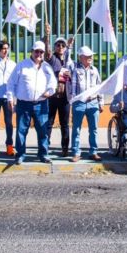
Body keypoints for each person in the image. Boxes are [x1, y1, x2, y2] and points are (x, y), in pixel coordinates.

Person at [6, 40, 57, 164]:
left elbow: (53, 83)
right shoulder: (21, 65)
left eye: (41, 52)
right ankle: (20, 154)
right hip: (24, 104)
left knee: (43, 131)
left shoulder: (46, 67)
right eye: (36, 51)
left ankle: (43, 154)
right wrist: (10, 98)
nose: (39, 54)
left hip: (41, 104)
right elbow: (10, 83)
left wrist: (49, 92)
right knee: (21, 130)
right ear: (32, 52)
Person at [42, 22, 73, 157]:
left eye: (63, 45)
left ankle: (65, 148)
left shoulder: (68, 59)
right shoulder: (51, 57)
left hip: (65, 97)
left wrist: (70, 75)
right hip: (52, 97)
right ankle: (45, 147)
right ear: (55, 47)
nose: (60, 47)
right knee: (48, 123)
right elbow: (46, 48)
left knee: (64, 124)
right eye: (58, 45)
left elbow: (74, 75)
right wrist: (47, 35)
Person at [67, 46, 103, 162]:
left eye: (91, 56)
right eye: (87, 56)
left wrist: (101, 102)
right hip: (79, 102)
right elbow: (67, 60)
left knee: (94, 129)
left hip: (93, 102)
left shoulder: (94, 70)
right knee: (76, 128)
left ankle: (93, 151)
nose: (90, 58)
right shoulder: (74, 68)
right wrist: (69, 47)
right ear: (81, 57)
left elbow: (99, 86)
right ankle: (76, 152)